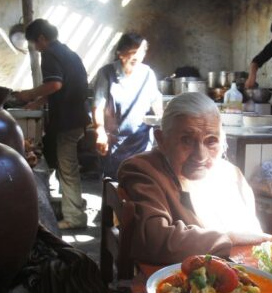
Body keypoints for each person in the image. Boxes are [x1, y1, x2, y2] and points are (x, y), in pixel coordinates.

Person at [118, 92, 272, 265]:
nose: (200, 156)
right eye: (186, 140)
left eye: (211, 141)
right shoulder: (143, 170)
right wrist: (229, 237)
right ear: (162, 140)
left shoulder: (231, 175)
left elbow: (253, 236)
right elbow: (155, 240)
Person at [14, 19, 89, 230]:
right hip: (76, 117)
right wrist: (36, 102)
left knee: (68, 169)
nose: (36, 49)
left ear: (41, 38)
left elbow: (55, 84)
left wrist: (29, 93)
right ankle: (73, 207)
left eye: (34, 44)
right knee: (66, 167)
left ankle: (74, 217)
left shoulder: (50, 54)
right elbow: (59, 88)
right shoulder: (67, 52)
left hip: (68, 120)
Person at [91, 33, 163, 179]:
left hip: (141, 140)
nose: (137, 56)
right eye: (133, 52)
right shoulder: (107, 73)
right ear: (120, 53)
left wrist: (164, 123)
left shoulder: (147, 73)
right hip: (115, 141)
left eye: (141, 52)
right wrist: (100, 132)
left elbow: (155, 101)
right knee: (115, 183)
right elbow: (98, 105)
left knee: (140, 179)